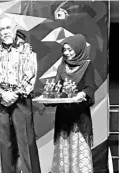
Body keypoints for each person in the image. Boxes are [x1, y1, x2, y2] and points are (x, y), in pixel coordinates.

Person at [0, 16, 41, 173]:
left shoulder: (27, 50)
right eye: (2, 29)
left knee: (26, 144)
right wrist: (2, 93)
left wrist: (14, 94)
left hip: (21, 100)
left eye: (8, 28)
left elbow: (30, 75)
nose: (5, 32)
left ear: (15, 28)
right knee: (3, 145)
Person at [48, 34, 95, 173]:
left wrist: (82, 94)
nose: (66, 53)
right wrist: (50, 98)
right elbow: (56, 87)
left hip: (79, 114)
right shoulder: (62, 66)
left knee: (78, 146)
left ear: (78, 48)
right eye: (64, 50)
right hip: (63, 113)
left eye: (70, 49)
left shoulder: (87, 65)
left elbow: (90, 87)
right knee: (64, 147)